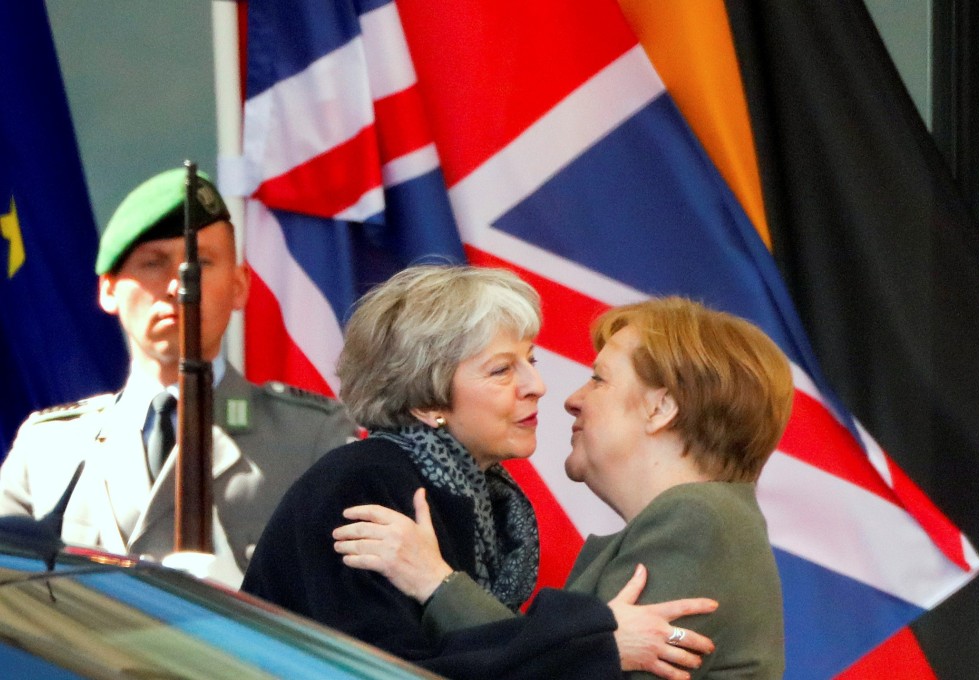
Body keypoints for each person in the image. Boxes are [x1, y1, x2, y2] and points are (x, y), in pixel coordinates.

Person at [242, 266, 716, 680]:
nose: (537, 386)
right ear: (427, 401)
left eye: (530, 361)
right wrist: (596, 644)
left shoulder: (485, 494)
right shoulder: (362, 484)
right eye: (501, 371)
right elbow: (388, 671)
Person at [334, 296, 793, 679]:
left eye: (598, 379)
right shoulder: (702, 523)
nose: (572, 400)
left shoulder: (697, 520)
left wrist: (435, 581)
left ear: (661, 408)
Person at [0, 168, 357, 586]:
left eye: (201, 263)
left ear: (240, 285)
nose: (176, 285)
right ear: (109, 289)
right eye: (152, 263)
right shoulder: (50, 448)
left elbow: (346, 604)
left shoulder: (311, 437)